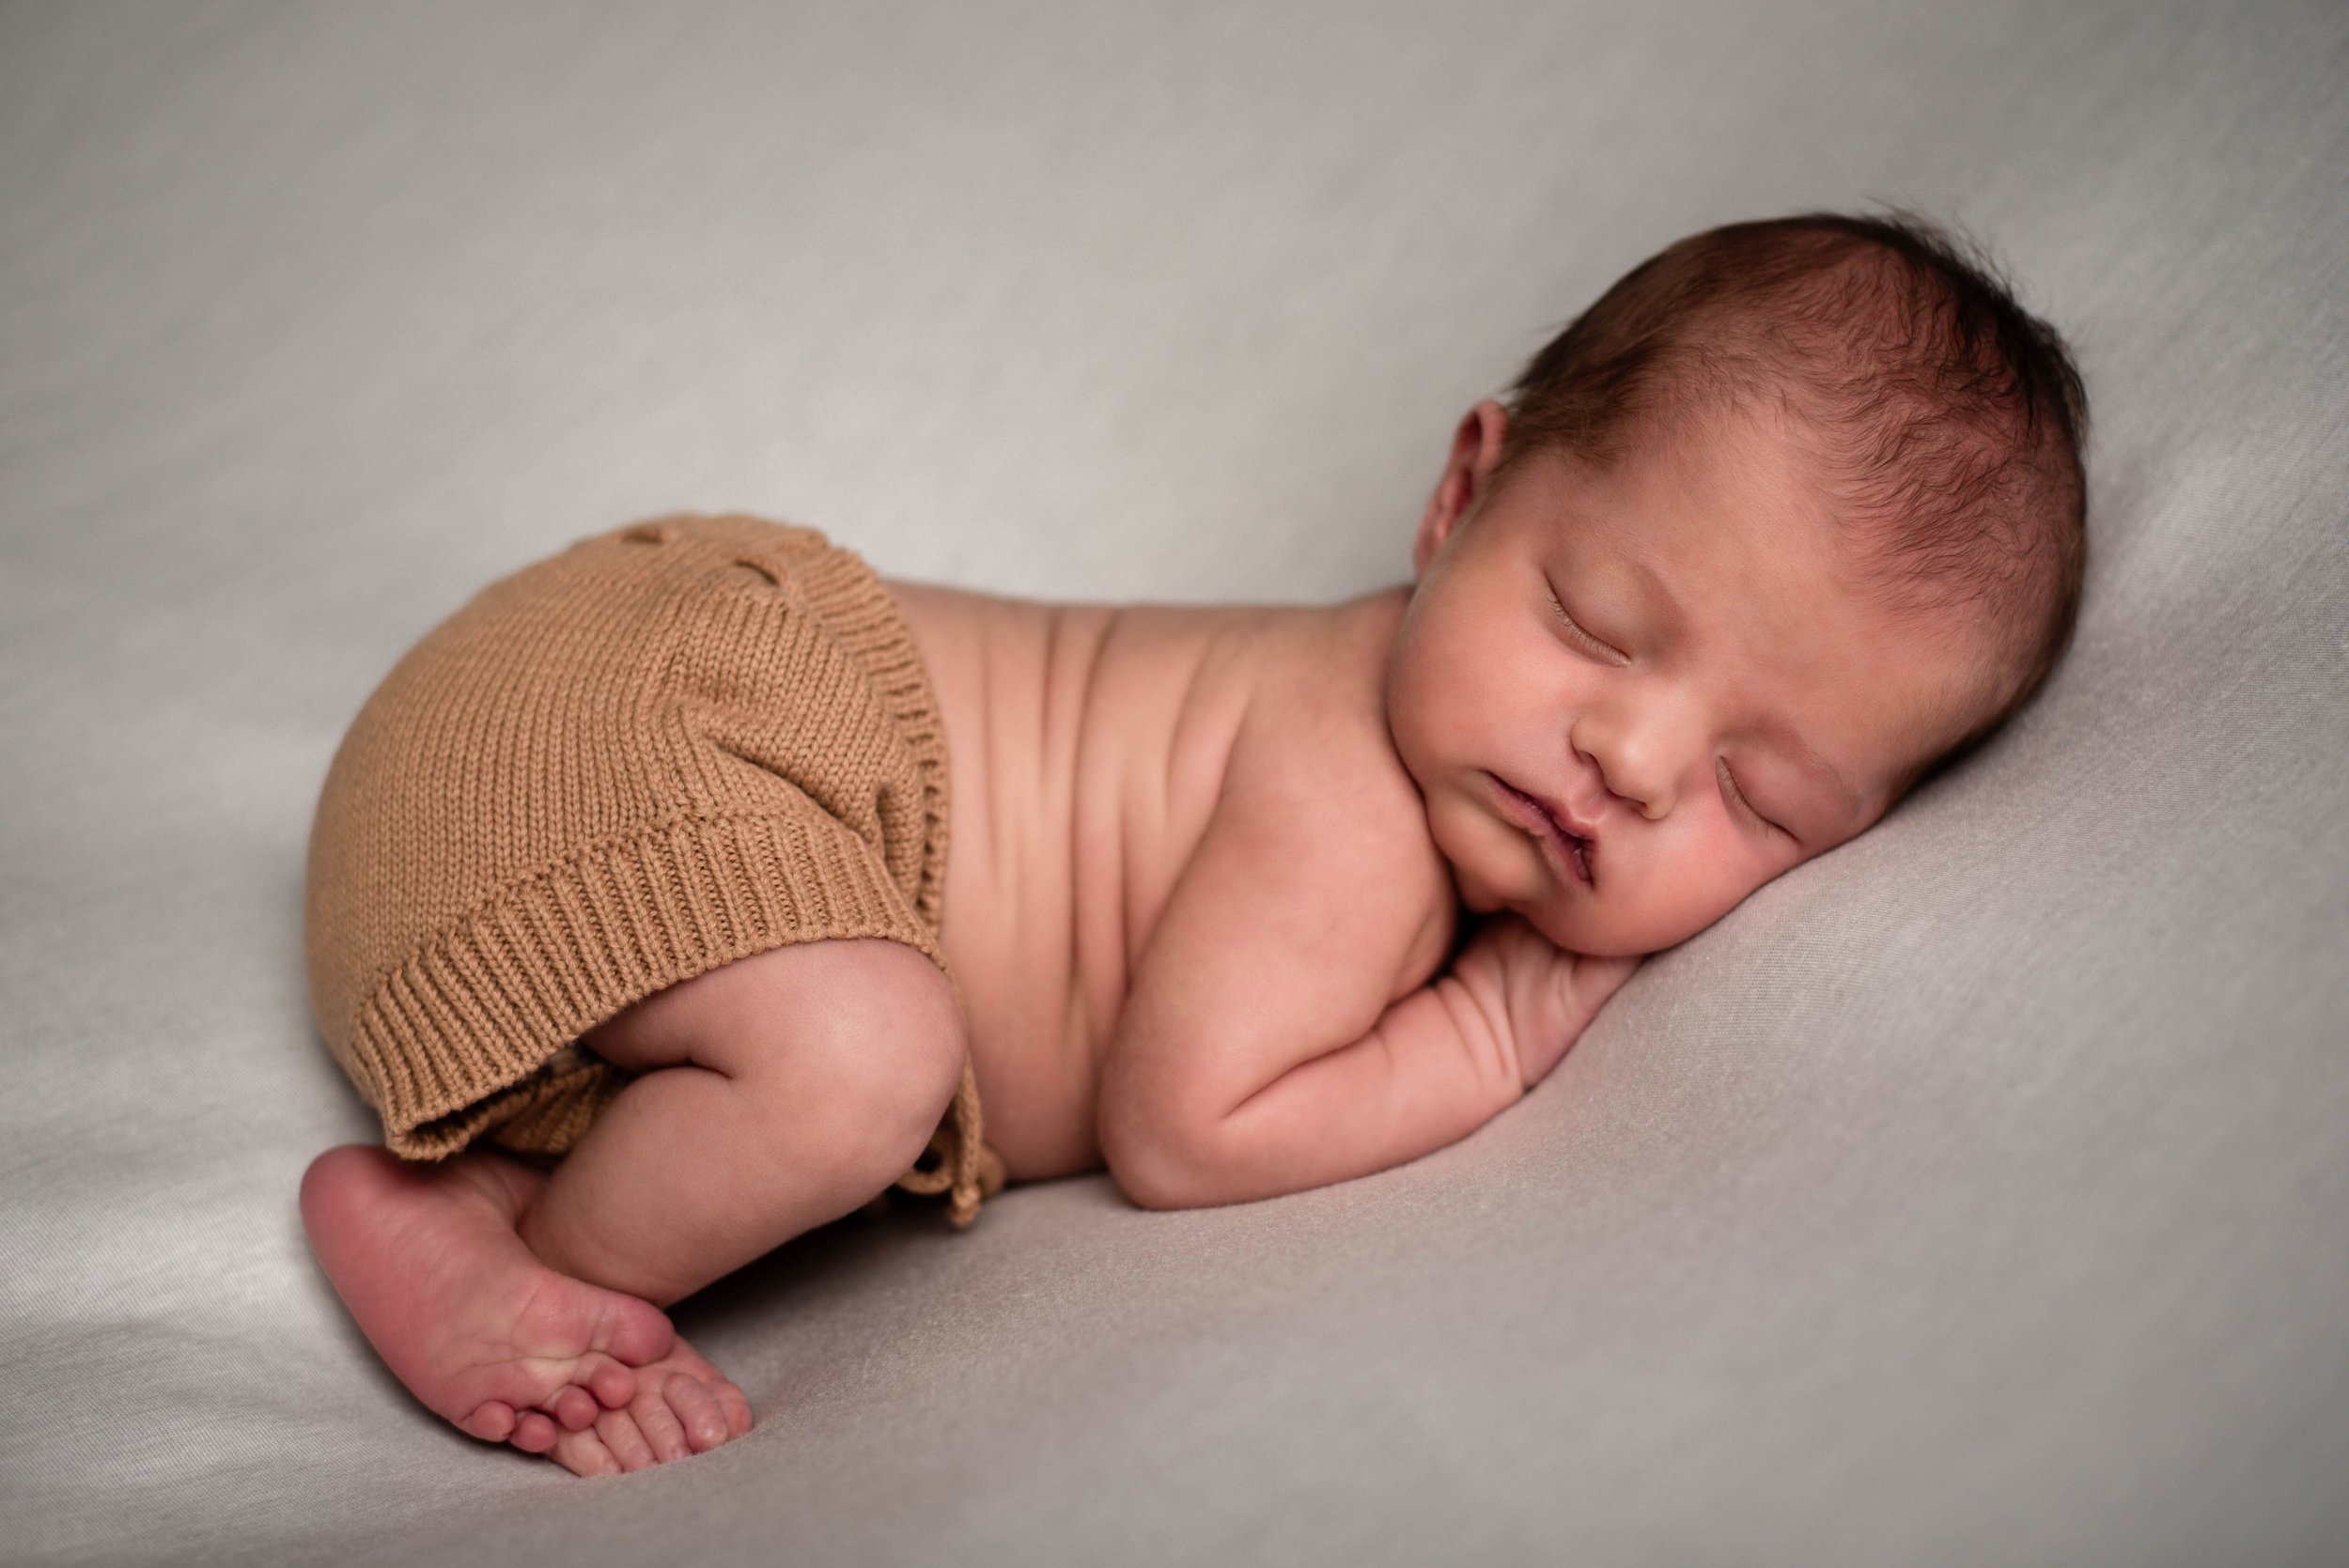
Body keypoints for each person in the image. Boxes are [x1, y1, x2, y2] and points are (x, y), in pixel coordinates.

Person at [297, 210, 2089, 1477]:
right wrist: (1497, 1024)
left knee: (829, 1034)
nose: (1627, 755)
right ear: (1464, 493)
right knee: (855, 1059)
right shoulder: (1345, 782)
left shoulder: (1406, 746)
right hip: (654, 704)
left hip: (553, 779)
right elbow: (1185, 1125)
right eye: (1602, 626)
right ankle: (484, 1227)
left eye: (1757, 799)